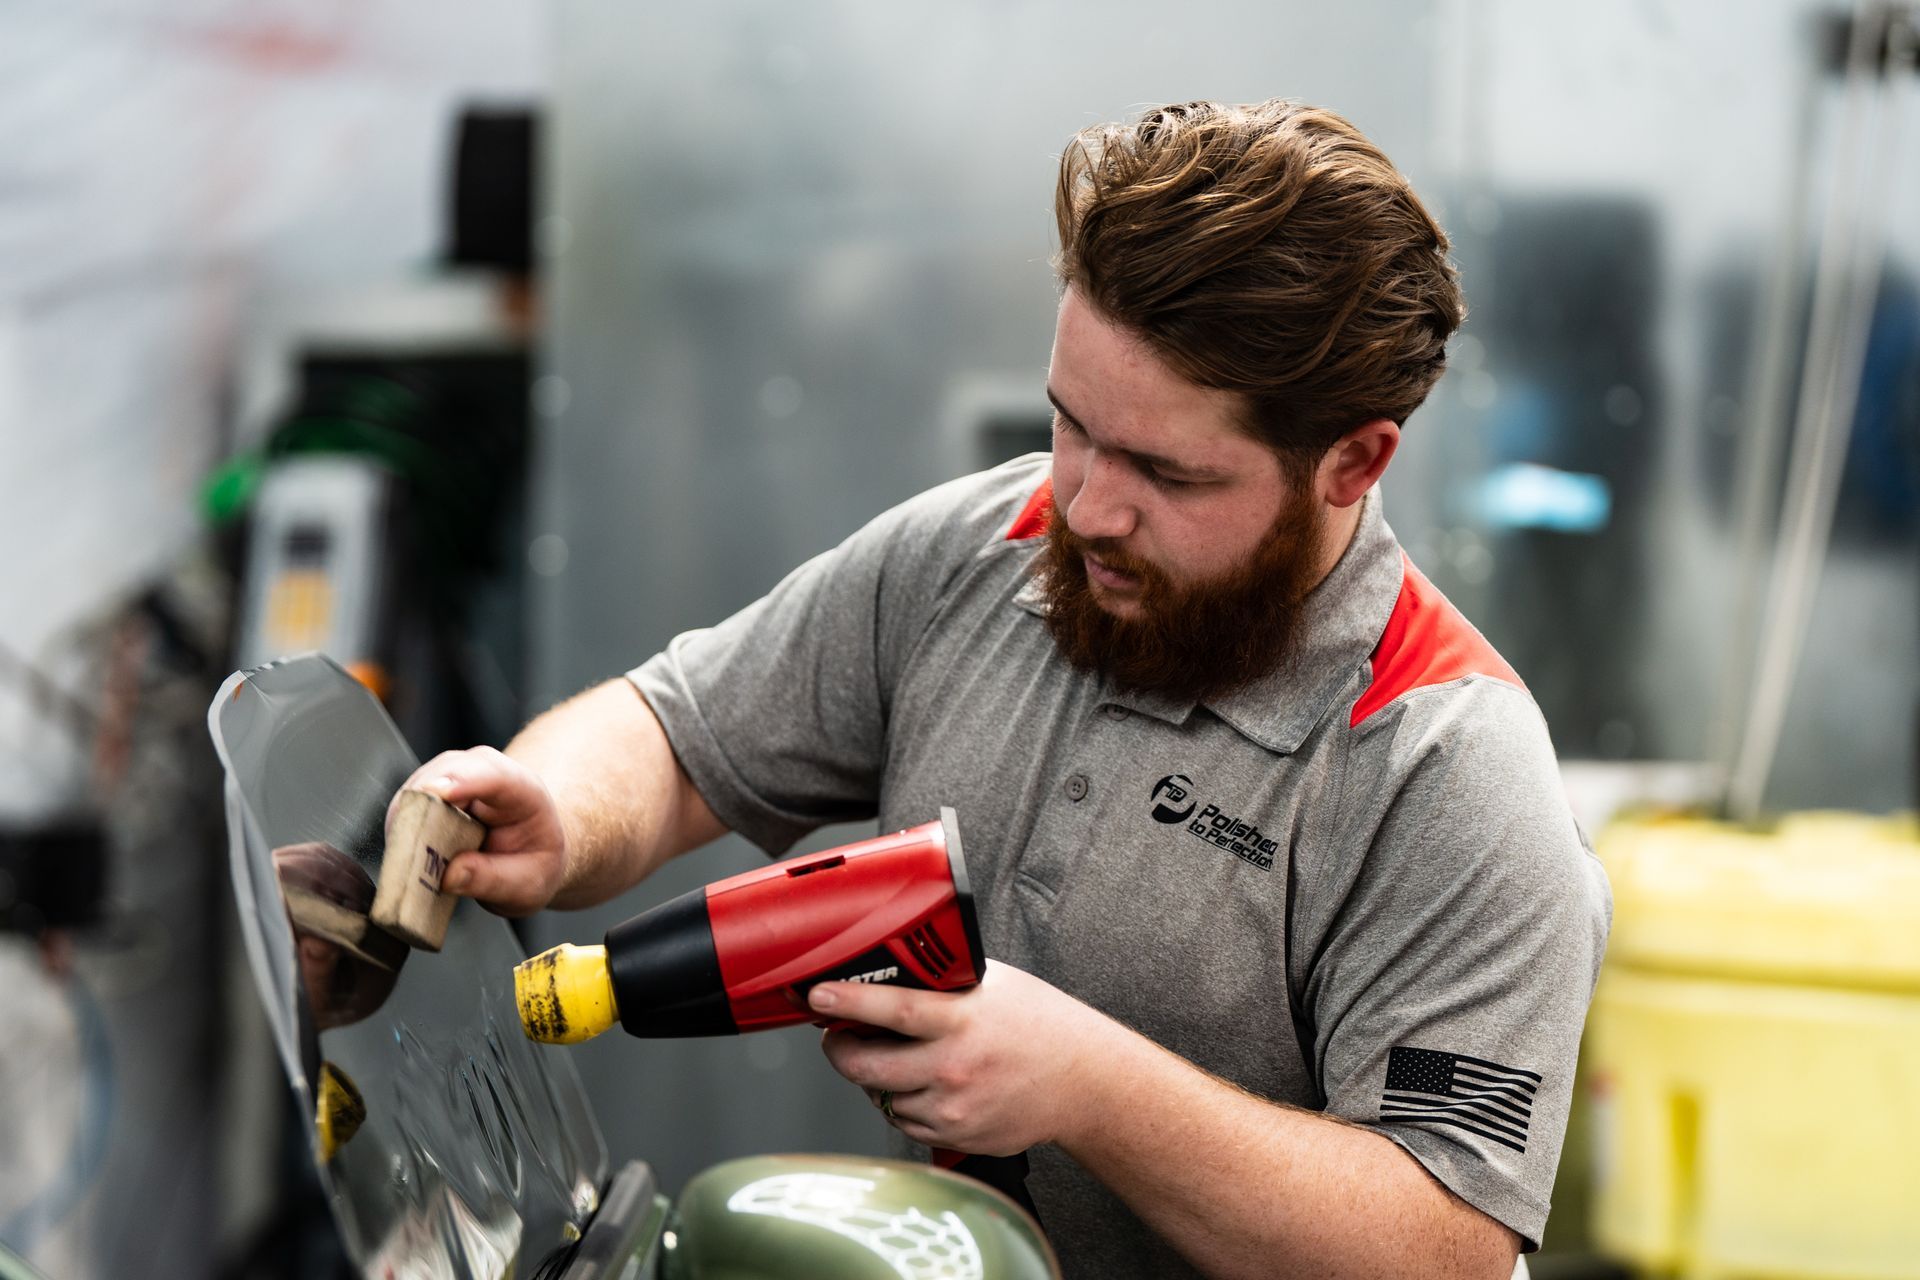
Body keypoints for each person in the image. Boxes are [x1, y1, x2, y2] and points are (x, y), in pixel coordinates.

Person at [400, 99, 1611, 1279]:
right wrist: (558, 808)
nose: (1087, 506)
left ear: (1353, 459)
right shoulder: (985, 550)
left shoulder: (1445, 765)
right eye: (1072, 424)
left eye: (1168, 473)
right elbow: (675, 733)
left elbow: (1446, 1247)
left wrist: (1090, 1083)